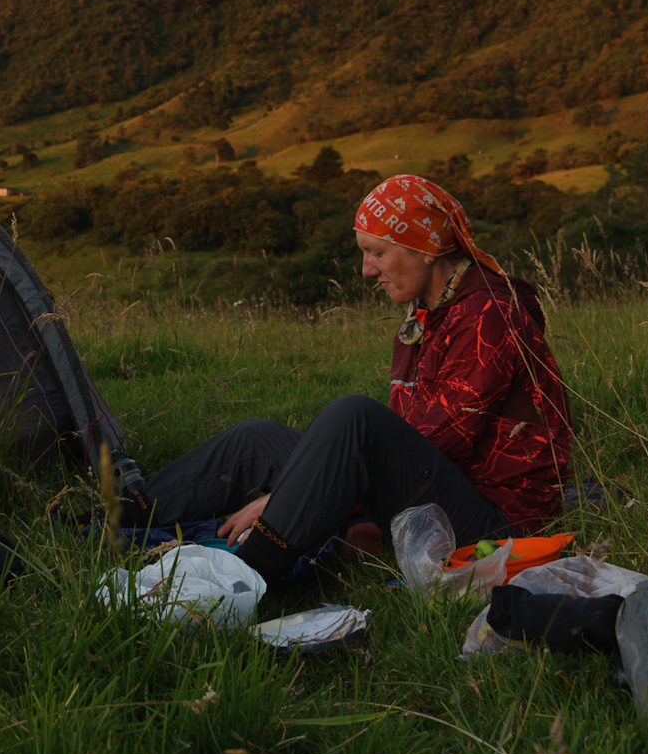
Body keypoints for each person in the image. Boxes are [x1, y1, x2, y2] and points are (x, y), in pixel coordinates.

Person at [128, 173, 573, 585]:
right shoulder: (432, 313)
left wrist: (288, 499)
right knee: (256, 438)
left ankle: (243, 581)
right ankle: (120, 517)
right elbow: (410, 446)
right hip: (438, 492)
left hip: (492, 522)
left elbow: (436, 442)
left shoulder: (487, 315)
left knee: (353, 417)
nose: (367, 269)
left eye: (378, 252)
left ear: (426, 248)